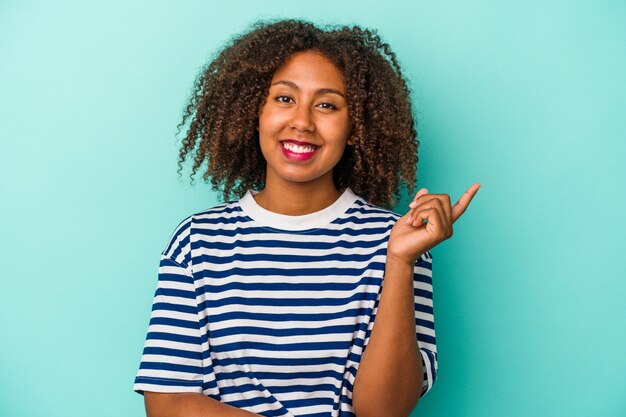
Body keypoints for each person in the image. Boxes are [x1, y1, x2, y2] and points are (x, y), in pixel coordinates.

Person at [134, 19, 480, 417]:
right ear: (254, 111)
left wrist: (400, 262)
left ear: (355, 128)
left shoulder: (399, 240)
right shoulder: (196, 240)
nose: (302, 121)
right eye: (284, 99)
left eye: (327, 105)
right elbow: (167, 402)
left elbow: (383, 411)